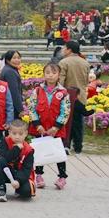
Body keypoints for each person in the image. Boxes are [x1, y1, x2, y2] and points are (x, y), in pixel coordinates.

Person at [28, 62, 70, 190]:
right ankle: (39, 176)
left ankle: (62, 177)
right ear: (44, 74)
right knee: (40, 152)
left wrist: (56, 127)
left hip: (56, 128)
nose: (50, 75)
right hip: (40, 128)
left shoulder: (63, 92)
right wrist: (37, 124)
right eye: (47, 73)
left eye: (53, 73)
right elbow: (32, 108)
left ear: (59, 75)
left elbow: (65, 111)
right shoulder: (37, 90)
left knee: (58, 152)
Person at [58, 40, 91, 153]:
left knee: (66, 122)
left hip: (68, 97)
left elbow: (61, 82)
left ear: (69, 50)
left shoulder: (64, 62)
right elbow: (86, 81)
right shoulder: (85, 63)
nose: (63, 50)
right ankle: (78, 146)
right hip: (81, 96)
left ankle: (66, 144)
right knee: (78, 123)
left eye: (64, 48)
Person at [0, 119, 35, 202]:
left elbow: (27, 169)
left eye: (20, 134)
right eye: (14, 133)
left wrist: (18, 181)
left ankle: (19, 190)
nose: (17, 137)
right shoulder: (4, 141)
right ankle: (1, 190)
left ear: (26, 133)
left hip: (19, 173)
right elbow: (4, 158)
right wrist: (16, 149)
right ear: (9, 132)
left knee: (27, 192)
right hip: (6, 171)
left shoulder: (29, 150)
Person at [0, 50, 24, 120]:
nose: (17, 60)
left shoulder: (10, 69)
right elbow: (14, 92)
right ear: (8, 60)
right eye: (14, 58)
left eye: (18, 58)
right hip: (12, 107)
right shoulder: (10, 72)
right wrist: (20, 109)